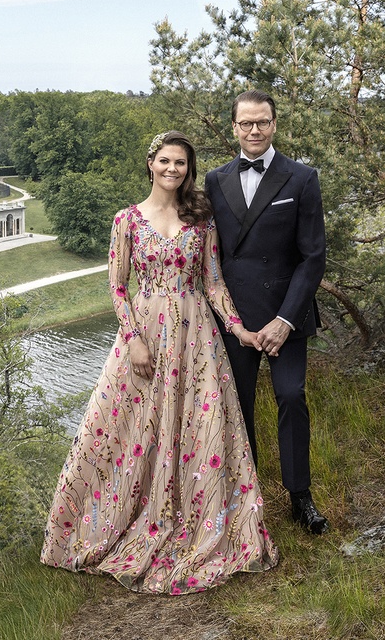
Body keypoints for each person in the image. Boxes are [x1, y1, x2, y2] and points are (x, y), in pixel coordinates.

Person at [40, 130, 278, 594]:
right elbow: (117, 285)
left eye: (182, 164)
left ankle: (198, 521)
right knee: (128, 430)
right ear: (151, 163)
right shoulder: (127, 219)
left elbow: (212, 283)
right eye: (166, 161)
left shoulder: (200, 218)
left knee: (197, 425)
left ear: (189, 170)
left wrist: (239, 329)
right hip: (145, 334)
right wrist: (133, 340)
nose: (173, 170)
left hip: (196, 337)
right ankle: (108, 523)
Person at [204, 90, 330, 535]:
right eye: (246, 124)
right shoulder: (215, 181)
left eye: (262, 122)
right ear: (234, 128)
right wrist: (231, 321)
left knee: (291, 397)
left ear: (274, 124)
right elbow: (210, 252)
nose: (254, 131)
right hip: (234, 317)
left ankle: (301, 497)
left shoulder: (301, 178)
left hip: (286, 316)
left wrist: (286, 320)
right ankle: (245, 497)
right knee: (237, 407)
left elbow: (312, 257)